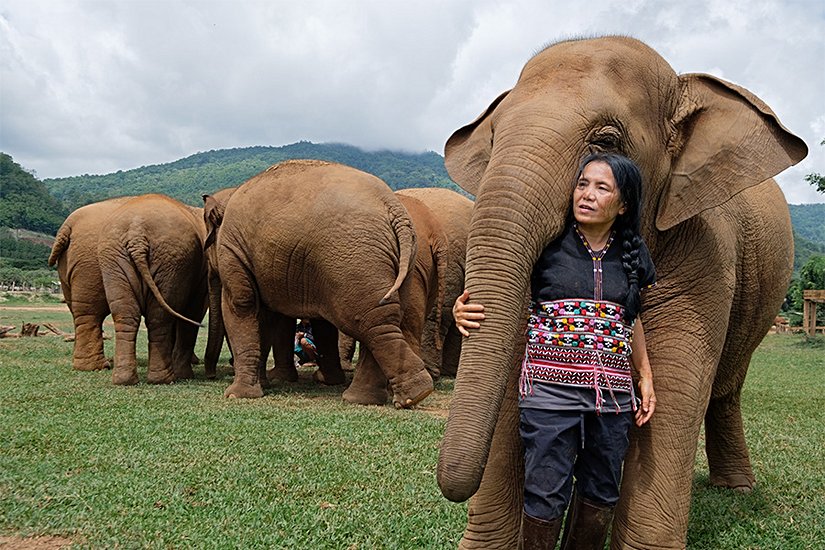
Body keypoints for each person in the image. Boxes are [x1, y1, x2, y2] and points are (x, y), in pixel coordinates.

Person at [454, 152, 656, 550]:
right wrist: (461, 310)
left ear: (623, 204)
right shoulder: (549, 246)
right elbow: (500, 289)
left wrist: (645, 376)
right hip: (549, 392)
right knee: (546, 487)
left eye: (602, 188)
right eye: (582, 184)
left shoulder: (633, 254)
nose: (587, 195)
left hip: (613, 397)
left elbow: (632, 321)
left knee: (602, 488)